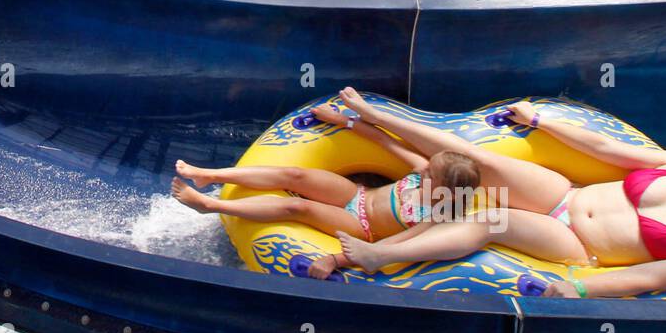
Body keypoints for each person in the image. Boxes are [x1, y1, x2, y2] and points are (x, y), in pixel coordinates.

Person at [330, 94, 666, 299]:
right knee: (473, 159)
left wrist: (579, 288)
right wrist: (540, 121)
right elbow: (603, 149)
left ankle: (378, 256)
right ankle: (374, 115)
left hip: (578, 245)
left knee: (492, 218)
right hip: (565, 194)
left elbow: (652, 280)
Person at [171, 100, 483, 280]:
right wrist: (343, 121)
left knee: (299, 208)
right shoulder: (420, 174)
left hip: (362, 228)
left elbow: (393, 247)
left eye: (431, 172)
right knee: (294, 174)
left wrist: (335, 260)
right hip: (355, 195)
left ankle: (210, 206)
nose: (423, 168)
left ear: (445, 190)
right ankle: (207, 175)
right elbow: (384, 141)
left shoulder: (435, 218)